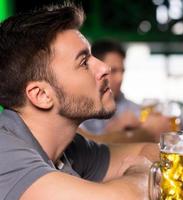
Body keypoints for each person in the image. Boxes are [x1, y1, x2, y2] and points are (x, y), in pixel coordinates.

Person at [0, 3, 158, 200]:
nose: (104, 68)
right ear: (41, 95)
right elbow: (126, 197)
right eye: (84, 62)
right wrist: (142, 171)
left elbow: (152, 151)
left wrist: (137, 175)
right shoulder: (5, 155)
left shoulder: (68, 147)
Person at [79, 40, 171, 141]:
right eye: (113, 71)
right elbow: (85, 149)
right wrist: (143, 132)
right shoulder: (78, 109)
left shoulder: (135, 109)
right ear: (94, 71)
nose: (120, 78)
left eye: (122, 71)